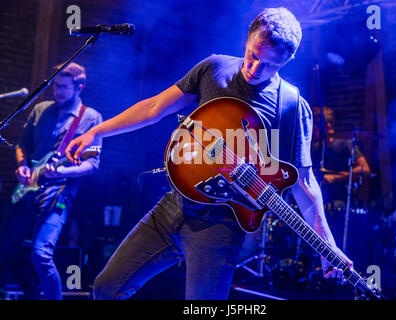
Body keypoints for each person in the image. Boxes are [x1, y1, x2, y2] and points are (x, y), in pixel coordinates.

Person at [66, 7, 352, 300]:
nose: (255, 69)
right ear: (247, 38)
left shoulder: (290, 106)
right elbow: (154, 108)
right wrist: (95, 131)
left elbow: (303, 184)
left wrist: (326, 246)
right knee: (106, 288)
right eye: (253, 55)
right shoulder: (214, 69)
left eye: (269, 65)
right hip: (172, 206)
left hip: (220, 226)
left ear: (287, 61)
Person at [0, 62, 103, 300]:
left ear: (80, 87)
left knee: (40, 253)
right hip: (27, 189)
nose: (57, 92)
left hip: (60, 191)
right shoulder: (40, 109)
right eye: (55, 86)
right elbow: (22, 146)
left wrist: (62, 172)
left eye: (64, 87)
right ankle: (34, 296)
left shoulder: (90, 117)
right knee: (5, 249)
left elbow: (92, 164)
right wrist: (22, 167)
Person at [311, 106, 371, 209]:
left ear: (328, 126)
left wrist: (335, 177)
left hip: (341, 199)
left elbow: (365, 169)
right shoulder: (314, 148)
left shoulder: (345, 145)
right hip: (319, 198)